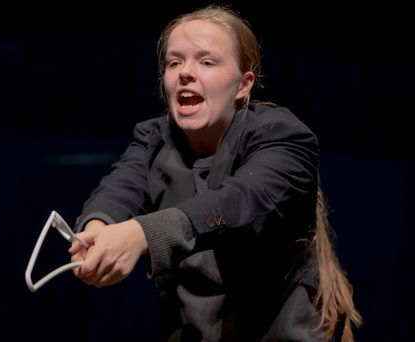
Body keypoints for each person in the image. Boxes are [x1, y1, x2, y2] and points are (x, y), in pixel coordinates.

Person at [68, 5, 361, 341]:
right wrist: (96, 231)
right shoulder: (153, 139)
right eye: (174, 62)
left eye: (207, 62)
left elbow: (239, 202)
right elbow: (119, 189)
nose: (185, 73)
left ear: (243, 84)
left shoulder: (282, 136)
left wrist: (141, 235)